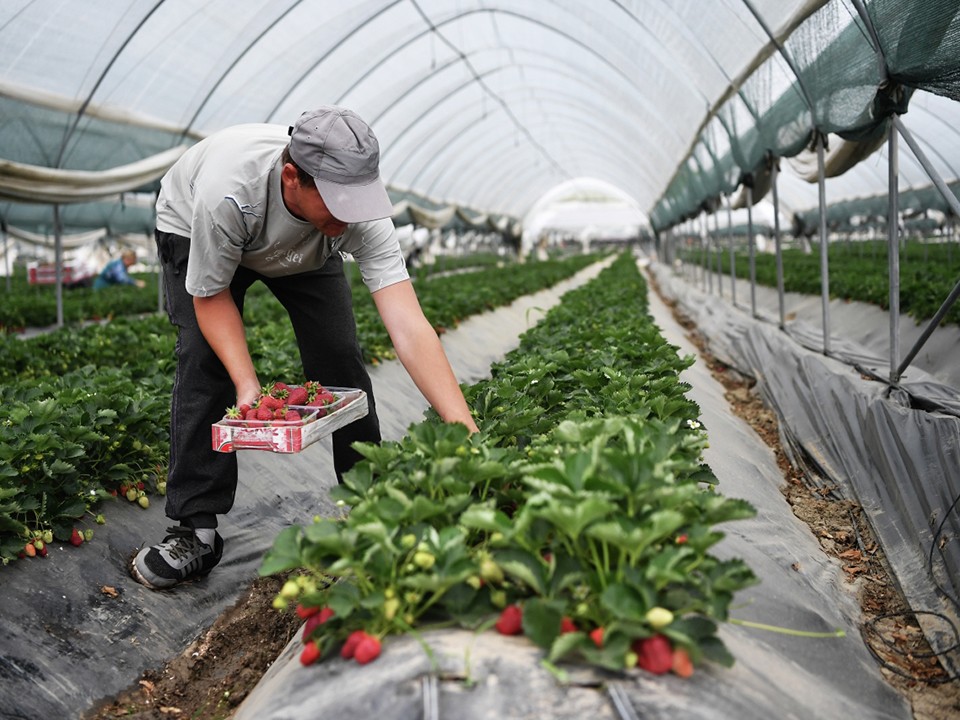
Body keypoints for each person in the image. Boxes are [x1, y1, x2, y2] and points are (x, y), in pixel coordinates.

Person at [131, 106, 479, 590]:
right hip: (199, 228)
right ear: (293, 177)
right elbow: (210, 299)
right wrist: (247, 383)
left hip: (308, 245)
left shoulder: (351, 213)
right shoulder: (227, 193)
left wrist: (464, 429)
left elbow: (408, 324)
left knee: (339, 355)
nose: (351, 214)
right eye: (338, 202)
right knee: (204, 361)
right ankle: (197, 529)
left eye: (357, 203)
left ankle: (368, 504)